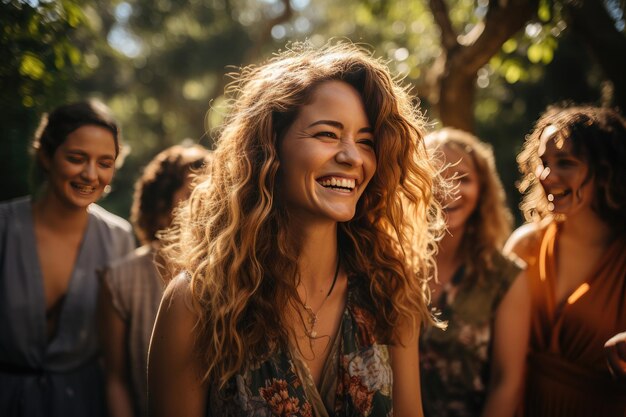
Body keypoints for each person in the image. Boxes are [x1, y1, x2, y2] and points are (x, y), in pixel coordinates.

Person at [148, 42, 446, 417]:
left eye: (366, 141)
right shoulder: (197, 302)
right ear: (269, 148)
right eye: (327, 134)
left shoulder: (387, 289)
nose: (352, 157)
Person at [0, 100, 135, 417]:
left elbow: (119, 357)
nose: (90, 174)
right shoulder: (3, 228)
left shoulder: (119, 239)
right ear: (46, 156)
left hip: (84, 405)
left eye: (105, 163)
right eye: (77, 158)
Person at [504, 105, 626, 416]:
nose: (547, 176)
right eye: (543, 163)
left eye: (566, 163)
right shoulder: (526, 245)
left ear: (605, 169)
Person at [419, 128, 529, 417]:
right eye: (438, 175)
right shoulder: (390, 261)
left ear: (483, 190)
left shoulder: (505, 277)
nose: (449, 188)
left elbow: (507, 382)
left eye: (463, 178)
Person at [98, 144, 211, 417]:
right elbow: (116, 379)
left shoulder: (231, 272)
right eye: (191, 194)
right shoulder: (120, 279)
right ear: (161, 204)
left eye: (212, 194)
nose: (206, 205)